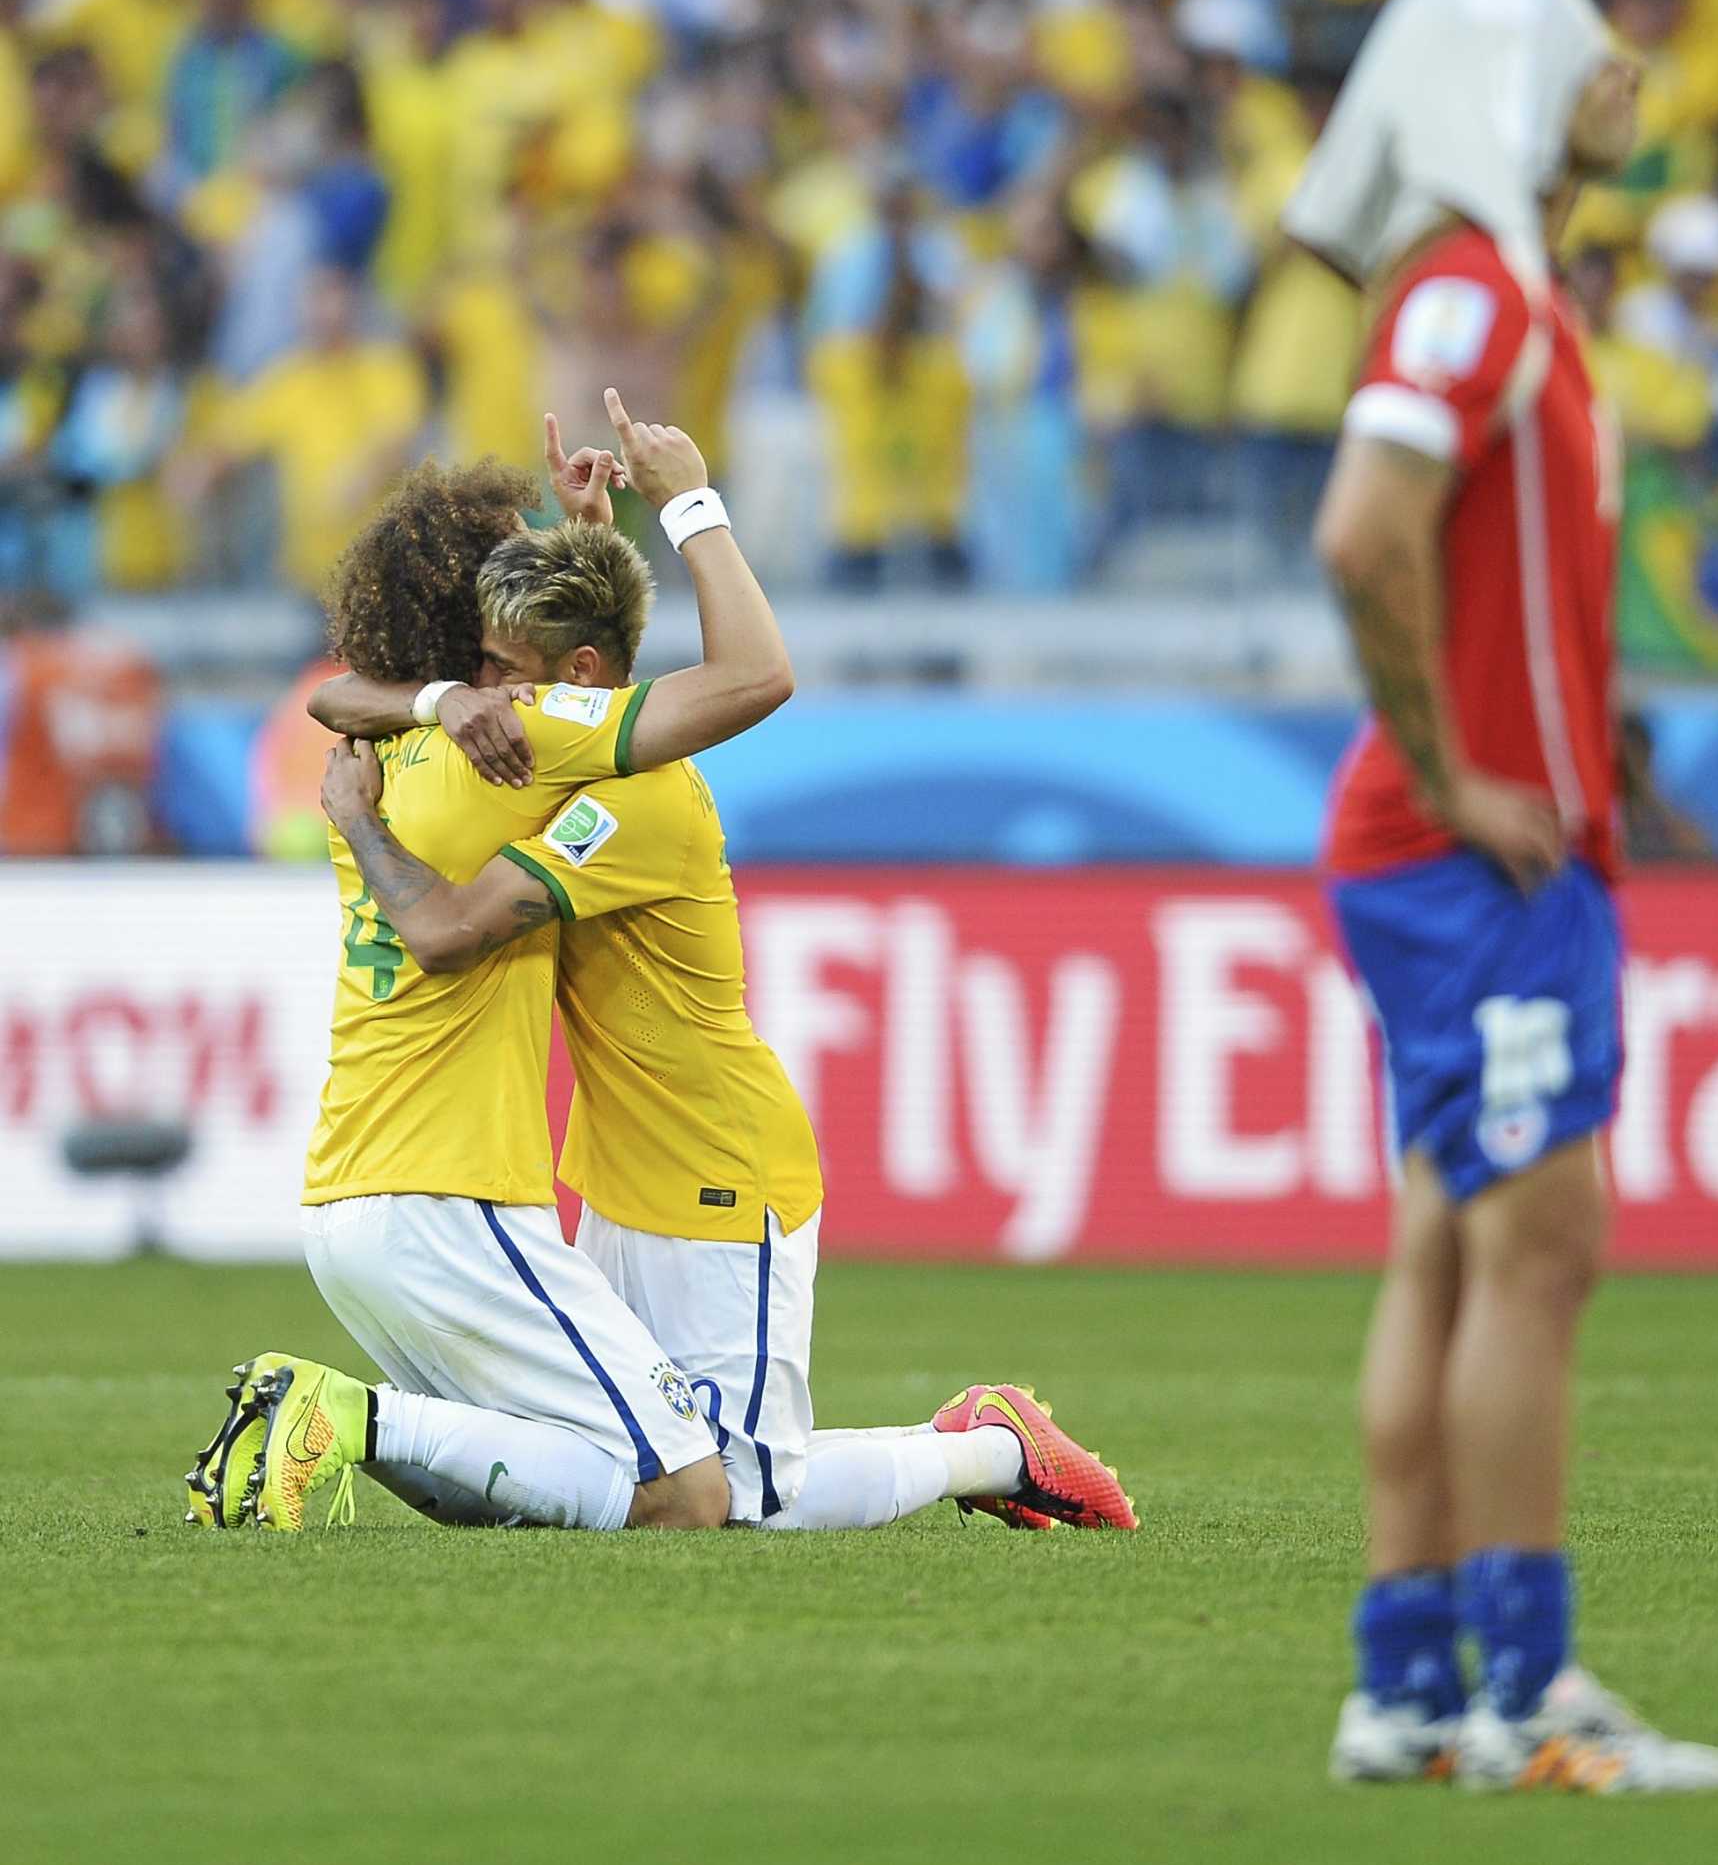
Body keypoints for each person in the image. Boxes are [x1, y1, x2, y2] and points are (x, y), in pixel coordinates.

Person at [312, 395, 1137, 1536]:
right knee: (653, 1472)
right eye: (486, 671)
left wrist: (688, 503)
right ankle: (987, 1448)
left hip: (716, 1172)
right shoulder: (543, 752)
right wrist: (577, 540)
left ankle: (992, 1445)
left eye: (511, 671)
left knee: (731, 1499)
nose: (495, 697)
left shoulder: (636, 803)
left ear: (576, 675)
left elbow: (456, 915)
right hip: (618, 1172)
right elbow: (377, 687)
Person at [1286, 0, 1718, 1794]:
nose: (1623, 69)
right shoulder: (1477, 301)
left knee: (1449, 1251)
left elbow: (1466, 575)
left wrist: (1573, 748)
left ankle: (1405, 1688)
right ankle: (1525, 1699)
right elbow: (1356, 534)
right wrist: (1451, 764)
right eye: (1589, 43)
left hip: (1456, 839)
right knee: (1538, 1253)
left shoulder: (1481, 297)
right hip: (1472, 861)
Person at [183, 398, 794, 1536]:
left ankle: (352, 1421)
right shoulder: (522, 736)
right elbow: (751, 676)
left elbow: (333, 688)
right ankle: (344, 1417)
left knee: (550, 1479)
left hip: (343, 1198)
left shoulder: (377, 740)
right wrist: (688, 505)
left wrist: (581, 551)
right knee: (694, 1492)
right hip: (452, 1190)